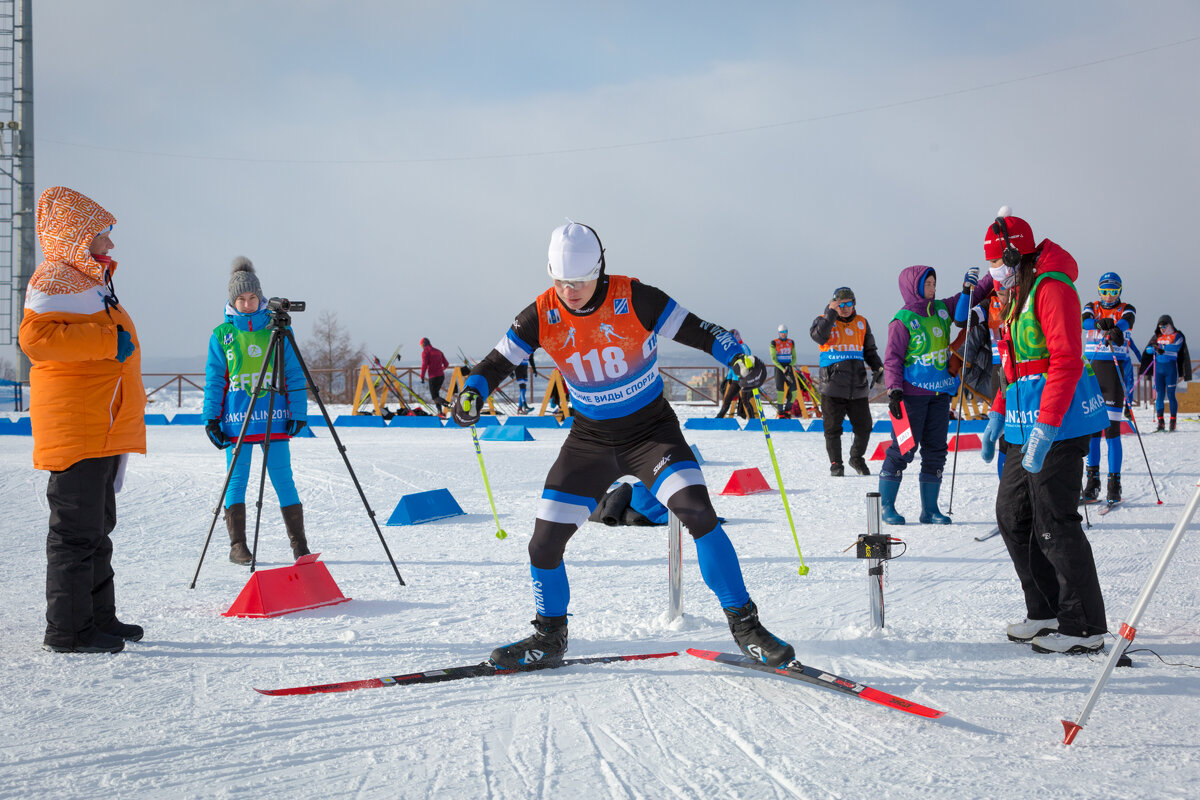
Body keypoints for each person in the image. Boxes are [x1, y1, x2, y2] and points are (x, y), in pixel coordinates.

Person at [450, 222, 795, 669]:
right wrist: (472, 392)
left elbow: (703, 331)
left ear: (600, 268)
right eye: (560, 282)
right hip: (589, 442)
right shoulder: (540, 313)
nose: (570, 292)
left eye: (579, 282)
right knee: (543, 544)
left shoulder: (637, 298)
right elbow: (495, 363)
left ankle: (747, 627)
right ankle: (549, 636)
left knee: (698, 512)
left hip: (651, 434)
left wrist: (739, 356)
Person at [19, 186, 146, 653]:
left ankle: (98, 618)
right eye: (102, 234)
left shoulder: (87, 280)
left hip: (101, 423)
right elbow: (36, 340)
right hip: (78, 426)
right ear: (75, 235)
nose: (110, 245)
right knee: (74, 535)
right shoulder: (53, 280)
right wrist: (108, 344)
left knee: (96, 531)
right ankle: (68, 632)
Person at [978, 208, 1109, 654]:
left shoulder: (1052, 289)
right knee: (1013, 517)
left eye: (998, 263)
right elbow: (1015, 367)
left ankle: (1084, 627)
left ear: (1017, 256)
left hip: (1059, 423)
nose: (994, 273)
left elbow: (1066, 361)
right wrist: (998, 413)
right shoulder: (1015, 294)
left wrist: (1047, 426)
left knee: (1055, 522)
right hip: (1021, 423)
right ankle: (1047, 610)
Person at [203, 258, 310, 564]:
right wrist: (210, 418)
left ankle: (299, 544)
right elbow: (215, 379)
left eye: (252, 298)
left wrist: (298, 412)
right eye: (241, 299)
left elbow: (293, 374)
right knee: (236, 480)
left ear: (261, 298)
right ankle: (238, 545)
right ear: (232, 301)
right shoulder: (222, 334)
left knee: (283, 478)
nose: (248, 304)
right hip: (237, 420)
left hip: (273, 416)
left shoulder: (277, 331)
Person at [878, 265, 976, 524]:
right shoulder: (902, 320)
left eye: (934, 283)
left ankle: (929, 510)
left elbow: (970, 298)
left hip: (940, 394)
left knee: (936, 450)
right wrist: (894, 392)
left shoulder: (942, 309)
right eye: (928, 284)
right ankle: (886, 507)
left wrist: (977, 281)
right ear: (915, 287)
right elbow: (893, 359)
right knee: (903, 449)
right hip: (911, 396)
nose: (933, 288)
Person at [809, 287, 884, 476]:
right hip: (832, 386)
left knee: (865, 426)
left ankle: (856, 458)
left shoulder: (862, 322)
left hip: (857, 386)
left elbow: (870, 351)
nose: (845, 308)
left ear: (854, 304)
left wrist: (878, 367)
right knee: (832, 429)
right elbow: (819, 336)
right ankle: (836, 464)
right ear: (833, 304)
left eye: (849, 303)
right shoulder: (823, 320)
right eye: (840, 304)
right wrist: (830, 314)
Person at [1080, 272, 1136, 504]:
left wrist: (1117, 329)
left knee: (1112, 432)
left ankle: (1115, 484)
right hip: (1092, 373)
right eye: (1105, 291)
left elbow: (1127, 321)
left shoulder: (1126, 307)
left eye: (1113, 291)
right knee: (1093, 432)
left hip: (1113, 374)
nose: (1109, 296)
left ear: (1120, 291)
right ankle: (1092, 484)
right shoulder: (1092, 306)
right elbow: (1084, 321)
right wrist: (1098, 323)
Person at [1139, 315, 1191, 432]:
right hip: (1159, 369)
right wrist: (1153, 348)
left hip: (1170, 369)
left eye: (1164, 326)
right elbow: (1148, 350)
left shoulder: (1177, 335)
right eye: (1160, 326)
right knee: (1160, 395)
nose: (1162, 329)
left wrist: (1162, 347)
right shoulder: (1157, 336)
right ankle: (1160, 422)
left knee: (1171, 395)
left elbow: (1177, 346)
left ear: (1170, 325)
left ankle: (1173, 421)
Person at [769, 324, 798, 414]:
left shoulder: (791, 342)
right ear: (778, 333)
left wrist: (789, 366)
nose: (783, 334)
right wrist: (782, 369)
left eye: (785, 332)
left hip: (788, 368)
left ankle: (787, 410)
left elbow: (794, 357)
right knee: (780, 391)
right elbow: (774, 359)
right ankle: (780, 412)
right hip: (779, 369)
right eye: (781, 332)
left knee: (794, 391)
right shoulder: (774, 342)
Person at [420, 337, 450, 417]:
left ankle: (450, 406)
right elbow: (446, 364)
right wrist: (441, 369)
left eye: (421, 345)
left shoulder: (425, 352)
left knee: (435, 397)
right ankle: (440, 413)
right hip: (441, 376)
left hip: (433, 377)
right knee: (436, 395)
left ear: (423, 344)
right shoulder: (438, 351)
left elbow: (424, 365)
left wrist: (422, 376)